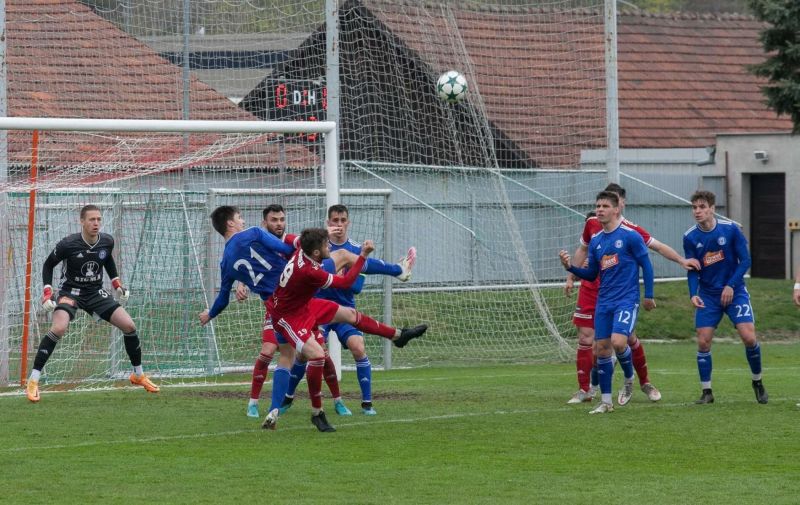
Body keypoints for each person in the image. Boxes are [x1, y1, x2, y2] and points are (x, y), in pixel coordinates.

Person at [264, 228, 427, 432]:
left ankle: (398, 336)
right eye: (326, 245)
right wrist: (363, 255)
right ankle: (317, 413)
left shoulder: (301, 248)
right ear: (316, 253)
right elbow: (347, 283)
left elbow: (288, 239)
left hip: (303, 305)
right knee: (315, 356)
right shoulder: (311, 271)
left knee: (350, 315)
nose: (330, 246)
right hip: (288, 317)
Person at [565, 182, 699, 406]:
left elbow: (656, 247)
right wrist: (570, 276)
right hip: (593, 289)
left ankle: (642, 381)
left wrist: (681, 260)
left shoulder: (631, 231)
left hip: (622, 292)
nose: (601, 209)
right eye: (599, 204)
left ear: (620, 205)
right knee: (590, 342)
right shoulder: (592, 224)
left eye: (610, 203)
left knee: (624, 339)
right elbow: (583, 249)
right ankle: (587, 390)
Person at [26, 204, 159, 402]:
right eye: (91, 219)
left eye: (98, 219)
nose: (96, 223)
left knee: (130, 326)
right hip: (71, 292)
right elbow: (48, 265)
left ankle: (138, 375)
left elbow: (108, 261)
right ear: (82, 221)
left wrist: (117, 283)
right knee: (59, 328)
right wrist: (47, 292)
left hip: (96, 293)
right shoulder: (68, 244)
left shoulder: (107, 241)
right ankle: (33, 380)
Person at [198, 204, 299, 419]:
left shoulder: (225, 262)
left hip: (275, 307)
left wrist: (210, 314)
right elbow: (286, 250)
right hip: (294, 294)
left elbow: (223, 298)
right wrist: (301, 250)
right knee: (310, 350)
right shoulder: (253, 233)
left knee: (289, 354)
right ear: (230, 223)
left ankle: (275, 408)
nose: (243, 220)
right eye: (240, 217)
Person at [560, 191, 656, 414]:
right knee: (601, 349)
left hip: (626, 300)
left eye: (604, 206)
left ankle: (629, 378)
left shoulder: (630, 236)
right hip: (604, 302)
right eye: (597, 206)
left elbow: (647, 265)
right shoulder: (596, 241)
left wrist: (649, 294)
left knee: (619, 342)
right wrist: (570, 269)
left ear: (616, 209)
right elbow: (592, 274)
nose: (599, 210)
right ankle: (606, 402)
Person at [683, 190, 767, 404]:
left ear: (712, 209)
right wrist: (693, 294)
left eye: (702, 207)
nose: (697, 211)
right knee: (703, 342)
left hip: (735, 291)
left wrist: (730, 285)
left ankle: (757, 382)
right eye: (694, 207)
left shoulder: (730, 230)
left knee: (749, 337)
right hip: (708, 295)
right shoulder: (690, 237)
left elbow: (746, 261)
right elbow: (693, 269)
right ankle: (707, 392)